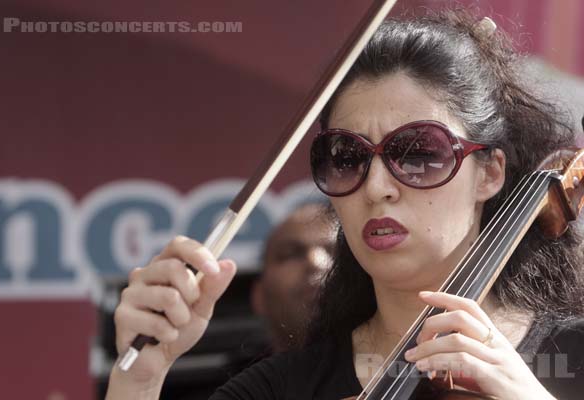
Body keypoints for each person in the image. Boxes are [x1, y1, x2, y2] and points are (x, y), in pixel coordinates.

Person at [105, 10, 584, 400]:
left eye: (418, 153)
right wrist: (140, 382)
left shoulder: (574, 357)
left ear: (490, 172)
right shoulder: (279, 390)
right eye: (348, 157)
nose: (376, 187)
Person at [251, 202, 336, 352]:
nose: (316, 262)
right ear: (259, 296)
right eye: (291, 254)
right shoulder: (238, 376)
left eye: (338, 252)